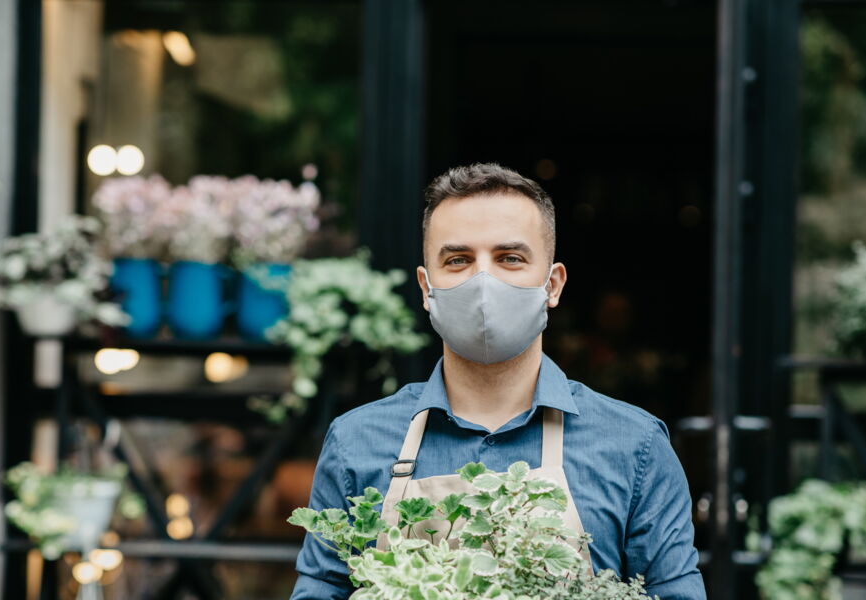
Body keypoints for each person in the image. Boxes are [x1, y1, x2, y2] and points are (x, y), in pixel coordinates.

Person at [289, 163, 706, 600]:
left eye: (510, 258)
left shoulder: (634, 446)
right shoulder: (356, 441)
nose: (483, 282)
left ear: (553, 284)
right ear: (426, 287)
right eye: (458, 260)